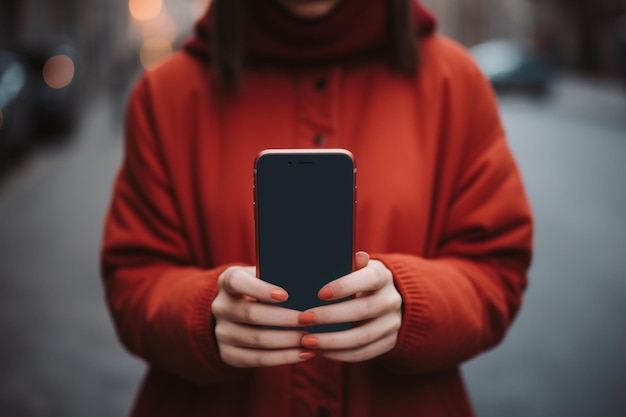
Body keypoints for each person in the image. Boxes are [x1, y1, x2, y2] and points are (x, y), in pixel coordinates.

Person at [100, 0, 533, 416]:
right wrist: (203, 317)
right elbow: (133, 281)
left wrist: (411, 304)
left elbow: (497, 268)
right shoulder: (165, 94)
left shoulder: (454, 82)